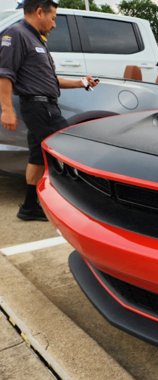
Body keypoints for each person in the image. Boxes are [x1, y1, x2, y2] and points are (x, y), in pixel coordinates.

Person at [0, 0, 99, 221]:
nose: (54, 24)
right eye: (53, 18)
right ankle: (85, 206)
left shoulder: (37, 39)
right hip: (39, 106)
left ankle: (29, 207)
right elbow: (4, 74)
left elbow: (50, 80)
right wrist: (7, 109)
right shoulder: (16, 34)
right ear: (39, 12)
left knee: (37, 157)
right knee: (70, 147)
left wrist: (82, 82)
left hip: (43, 104)